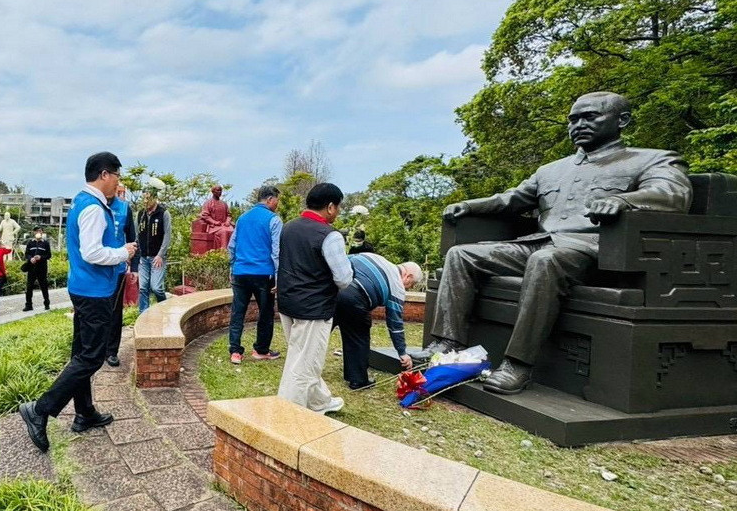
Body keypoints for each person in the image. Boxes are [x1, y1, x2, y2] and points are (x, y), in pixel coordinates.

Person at [416, 91, 693, 394]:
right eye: (573, 119)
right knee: (462, 255)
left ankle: (517, 364)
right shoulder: (552, 170)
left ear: (622, 120)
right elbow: (510, 199)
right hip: (540, 243)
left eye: (590, 117)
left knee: (545, 260)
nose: (579, 125)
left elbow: (673, 195)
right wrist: (470, 206)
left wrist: (623, 200)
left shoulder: (650, 159)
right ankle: (445, 346)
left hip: (597, 251)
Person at [18, 152, 137, 452]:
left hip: (84, 287)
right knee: (92, 356)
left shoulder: (84, 202)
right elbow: (92, 253)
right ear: (105, 175)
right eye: (117, 177)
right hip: (94, 291)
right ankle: (40, 410)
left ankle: (84, 412)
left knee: (81, 354)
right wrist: (124, 253)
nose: (118, 184)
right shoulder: (94, 208)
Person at [276, 182, 352, 414]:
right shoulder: (330, 236)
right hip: (314, 307)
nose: (337, 212)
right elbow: (343, 278)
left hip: (288, 302)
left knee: (302, 355)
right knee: (304, 364)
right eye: (337, 207)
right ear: (330, 207)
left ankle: (320, 401)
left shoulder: (288, 227)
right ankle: (290, 414)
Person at [333, 255, 421, 389]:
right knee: (358, 335)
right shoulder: (397, 287)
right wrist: (402, 352)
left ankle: (303, 367)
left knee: (320, 331)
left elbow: (342, 260)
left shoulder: (375, 258)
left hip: (333, 291)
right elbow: (395, 324)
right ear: (407, 276)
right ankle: (358, 379)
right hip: (356, 299)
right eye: (411, 285)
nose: (407, 288)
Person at [228, 185, 283, 364]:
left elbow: (232, 246)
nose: (277, 204)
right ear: (269, 199)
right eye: (277, 200)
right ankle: (261, 350)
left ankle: (235, 352)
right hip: (263, 274)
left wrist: (232, 268)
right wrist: (278, 276)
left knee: (238, 313)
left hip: (241, 272)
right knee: (266, 313)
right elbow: (276, 252)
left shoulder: (242, 218)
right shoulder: (274, 220)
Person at [104, 184, 136, 366]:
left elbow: (132, 239)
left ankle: (111, 351)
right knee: (98, 309)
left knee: (115, 311)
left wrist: (135, 266)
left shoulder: (124, 208)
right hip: (97, 269)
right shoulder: (94, 205)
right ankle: (96, 349)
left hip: (117, 269)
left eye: (119, 189)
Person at [135, 184, 171, 312]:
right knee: (143, 288)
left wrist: (161, 254)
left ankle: (164, 308)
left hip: (157, 257)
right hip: (143, 258)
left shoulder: (163, 213)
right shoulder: (140, 214)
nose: (145, 201)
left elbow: (167, 235)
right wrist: (136, 255)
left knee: (156, 287)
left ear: (155, 198)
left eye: (148, 198)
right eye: (143, 198)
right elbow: (137, 236)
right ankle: (143, 315)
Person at [22, 227, 52, 312]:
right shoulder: (30, 243)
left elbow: (49, 255)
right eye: (36, 231)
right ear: (34, 232)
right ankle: (28, 305)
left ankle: (47, 303)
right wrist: (30, 258)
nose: (38, 232)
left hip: (42, 268)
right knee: (29, 287)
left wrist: (41, 257)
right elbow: (26, 254)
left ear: (42, 232)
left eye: (40, 231)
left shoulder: (45, 243)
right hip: (32, 268)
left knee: (44, 286)